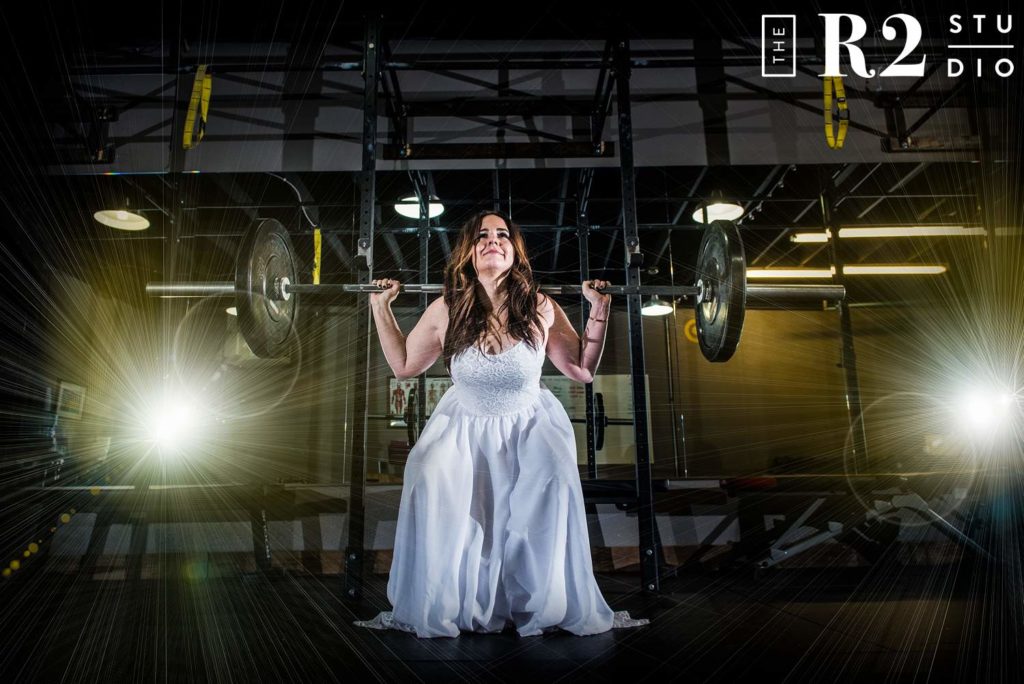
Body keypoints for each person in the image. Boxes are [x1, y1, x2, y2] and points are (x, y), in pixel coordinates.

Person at [355, 210, 647, 638]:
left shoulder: (540, 306)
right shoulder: (446, 308)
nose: (494, 240)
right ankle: (449, 601)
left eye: (503, 235)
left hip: (529, 425)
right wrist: (380, 307)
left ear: (516, 250)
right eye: (482, 236)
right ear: (468, 253)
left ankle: (537, 603)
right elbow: (402, 365)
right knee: (430, 476)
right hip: (463, 427)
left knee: (549, 485)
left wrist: (599, 309)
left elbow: (582, 369)